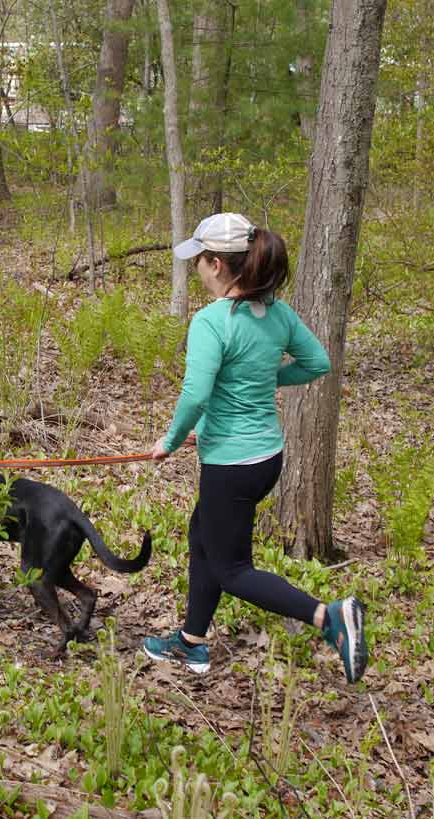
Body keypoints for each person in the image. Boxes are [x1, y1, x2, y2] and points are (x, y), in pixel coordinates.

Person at [143, 213, 368, 684]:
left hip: (231, 464)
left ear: (218, 265)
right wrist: (263, 381)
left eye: (200, 262)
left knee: (233, 570)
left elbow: (196, 394)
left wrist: (168, 440)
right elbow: (316, 362)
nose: (197, 271)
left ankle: (330, 618)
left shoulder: (211, 322)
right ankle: (191, 641)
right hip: (266, 457)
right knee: (202, 535)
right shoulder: (278, 313)